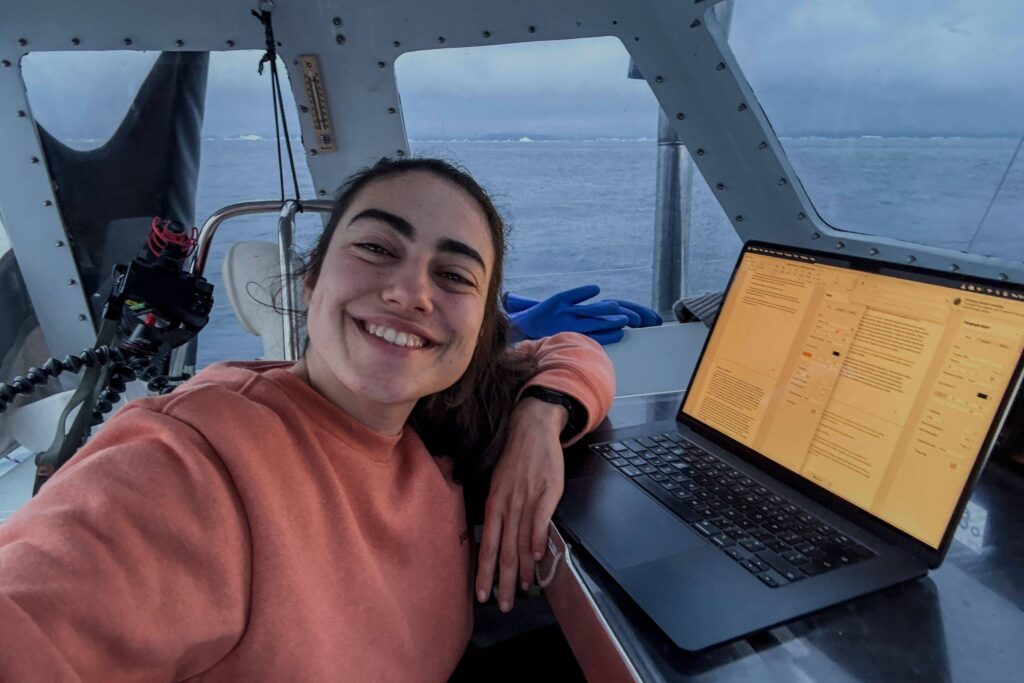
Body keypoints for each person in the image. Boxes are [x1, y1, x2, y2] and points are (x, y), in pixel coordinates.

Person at [0, 158, 615, 681]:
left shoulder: (438, 419)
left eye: (454, 275)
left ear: (482, 326)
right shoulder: (196, 459)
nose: (411, 293)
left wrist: (542, 418)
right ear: (312, 281)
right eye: (376, 248)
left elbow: (568, 350)